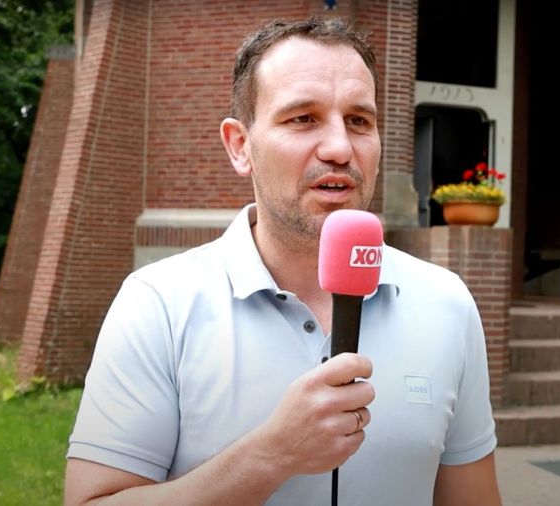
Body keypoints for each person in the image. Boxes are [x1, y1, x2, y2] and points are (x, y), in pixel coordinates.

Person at [63, 17, 501, 506]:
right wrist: (270, 456)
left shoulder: (447, 302)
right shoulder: (158, 305)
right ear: (240, 146)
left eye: (359, 121)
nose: (340, 148)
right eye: (303, 118)